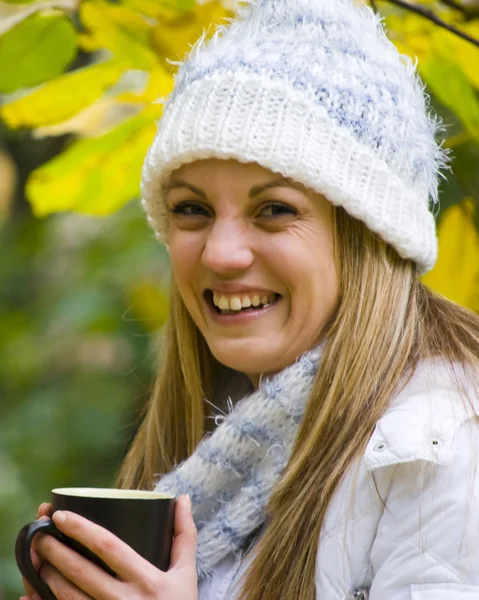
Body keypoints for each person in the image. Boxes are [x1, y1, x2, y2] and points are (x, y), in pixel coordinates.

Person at [22, 0, 479, 598]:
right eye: (192, 209)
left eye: (274, 210)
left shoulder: (440, 445)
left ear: (367, 234)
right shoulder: (227, 434)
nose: (220, 254)